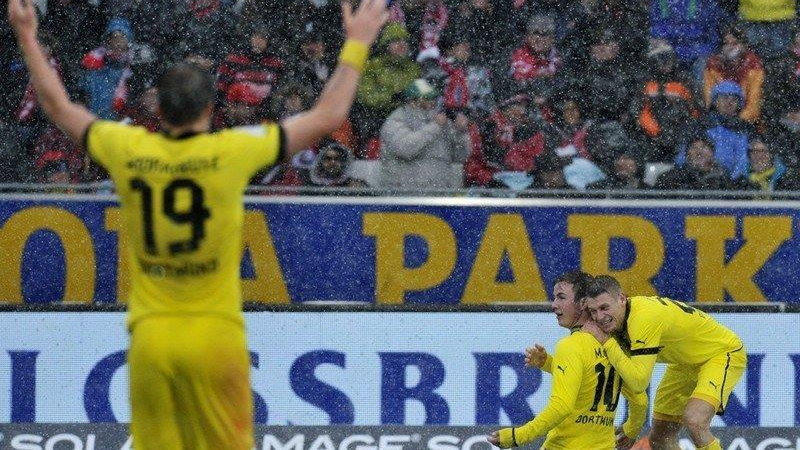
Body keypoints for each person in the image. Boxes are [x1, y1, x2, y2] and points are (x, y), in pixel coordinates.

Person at [7, 0, 388, 449]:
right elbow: (329, 116)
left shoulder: (130, 150)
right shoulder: (231, 151)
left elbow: (56, 105)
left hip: (152, 337)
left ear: (159, 109)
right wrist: (358, 42)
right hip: (214, 335)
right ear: (210, 108)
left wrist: (28, 36)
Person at [581, 275, 746, 450]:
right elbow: (631, 385)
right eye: (593, 311)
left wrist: (607, 342)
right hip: (684, 362)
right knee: (660, 437)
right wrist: (632, 428)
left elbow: (638, 383)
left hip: (721, 353)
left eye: (604, 307)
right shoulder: (614, 325)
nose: (600, 317)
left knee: (695, 421)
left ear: (622, 299)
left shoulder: (643, 318)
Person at [488, 271, 648, 449]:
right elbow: (639, 401)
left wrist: (517, 436)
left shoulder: (571, 346)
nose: (554, 305)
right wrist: (631, 431)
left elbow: (561, 407)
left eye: (561, 297)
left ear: (583, 303)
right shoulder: (614, 347)